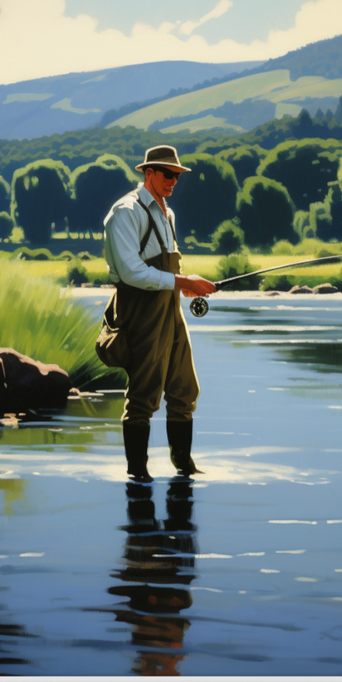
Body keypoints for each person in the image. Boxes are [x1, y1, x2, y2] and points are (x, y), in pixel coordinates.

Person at [101, 146, 216, 479]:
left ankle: (184, 466)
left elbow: (164, 271)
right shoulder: (125, 212)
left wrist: (186, 287)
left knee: (184, 387)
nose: (174, 181)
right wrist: (182, 280)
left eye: (177, 175)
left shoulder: (168, 213)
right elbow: (132, 272)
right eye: (168, 174)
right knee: (143, 394)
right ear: (148, 173)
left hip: (170, 308)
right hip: (140, 311)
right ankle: (138, 473)